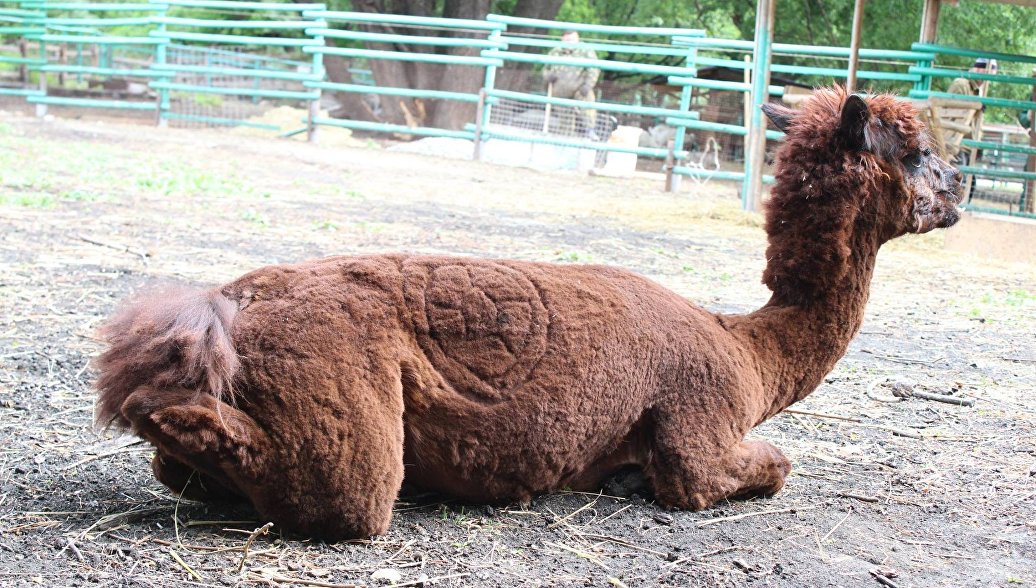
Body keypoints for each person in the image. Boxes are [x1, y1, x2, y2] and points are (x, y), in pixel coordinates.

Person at [542, 30, 600, 137]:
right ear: (562, 39)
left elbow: (593, 69)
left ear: (577, 39)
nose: (570, 42)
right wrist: (548, 76)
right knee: (565, 121)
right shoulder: (555, 52)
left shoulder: (586, 51)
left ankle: (590, 130)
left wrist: (588, 84)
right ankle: (565, 141)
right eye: (567, 39)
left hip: (580, 88)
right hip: (560, 91)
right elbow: (545, 69)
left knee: (587, 107)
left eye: (572, 39)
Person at [944, 58, 998, 163]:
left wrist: (978, 142)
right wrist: (973, 106)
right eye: (988, 73)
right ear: (977, 68)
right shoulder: (961, 85)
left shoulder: (979, 90)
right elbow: (951, 112)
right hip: (957, 144)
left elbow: (976, 122)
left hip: (969, 146)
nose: (988, 80)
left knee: (969, 178)